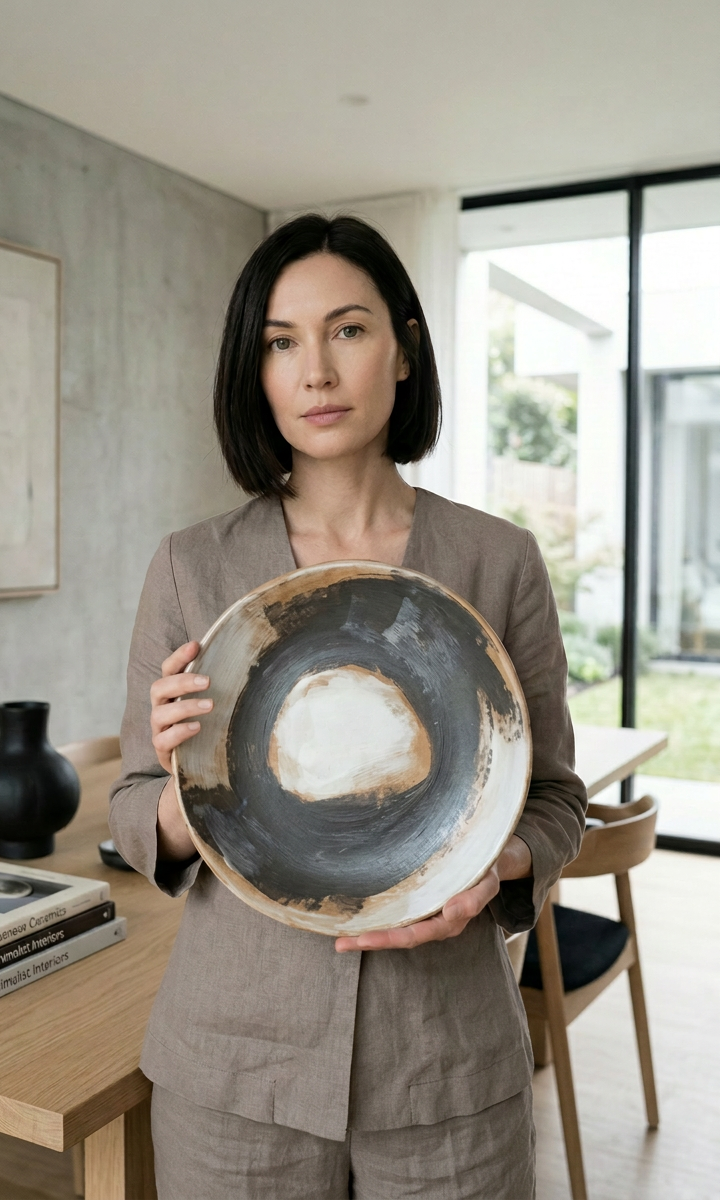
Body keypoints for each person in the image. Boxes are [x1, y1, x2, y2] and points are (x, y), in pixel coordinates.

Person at [109, 214, 586, 1199]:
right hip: (234, 1076)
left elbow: (552, 798)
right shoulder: (191, 567)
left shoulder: (496, 561)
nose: (313, 372)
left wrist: (494, 862)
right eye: (280, 343)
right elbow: (132, 804)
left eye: (347, 330)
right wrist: (174, 794)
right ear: (256, 369)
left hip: (445, 1068)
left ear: (404, 349)